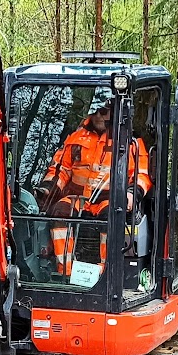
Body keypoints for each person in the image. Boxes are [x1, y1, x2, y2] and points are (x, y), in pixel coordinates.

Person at [34, 89, 151, 275]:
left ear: (113, 111)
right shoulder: (76, 137)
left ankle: (106, 274)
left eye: (103, 111)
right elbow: (61, 169)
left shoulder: (129, 142)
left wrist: (130, 194)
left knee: (112, 215)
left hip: (109, 200)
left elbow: (141, 176)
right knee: (60, 211)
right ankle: (67, 272)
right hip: (79, 199)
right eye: (95, 111)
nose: (98, 116)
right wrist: (47, 189)